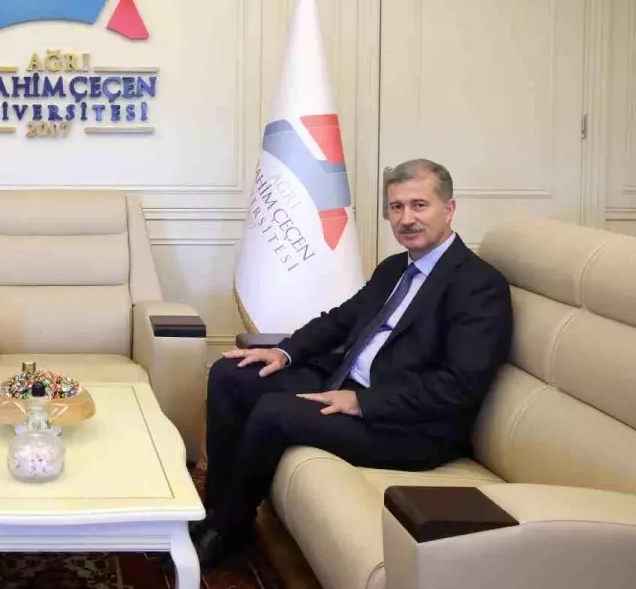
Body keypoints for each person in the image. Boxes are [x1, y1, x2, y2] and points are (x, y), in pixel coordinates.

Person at [194, 158, 513, 569]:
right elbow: (341, 319)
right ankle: (215, 512)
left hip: (407, 425)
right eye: (396, 207)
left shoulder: (479, 286)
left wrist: (362, 402)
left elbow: (458, 385)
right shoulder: (395, 268)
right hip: (345, 381)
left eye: (419, 205)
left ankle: (229, 530)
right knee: (230, 374)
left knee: (274, 411)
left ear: (448, 209)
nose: (406, 219)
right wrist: (284, 352)